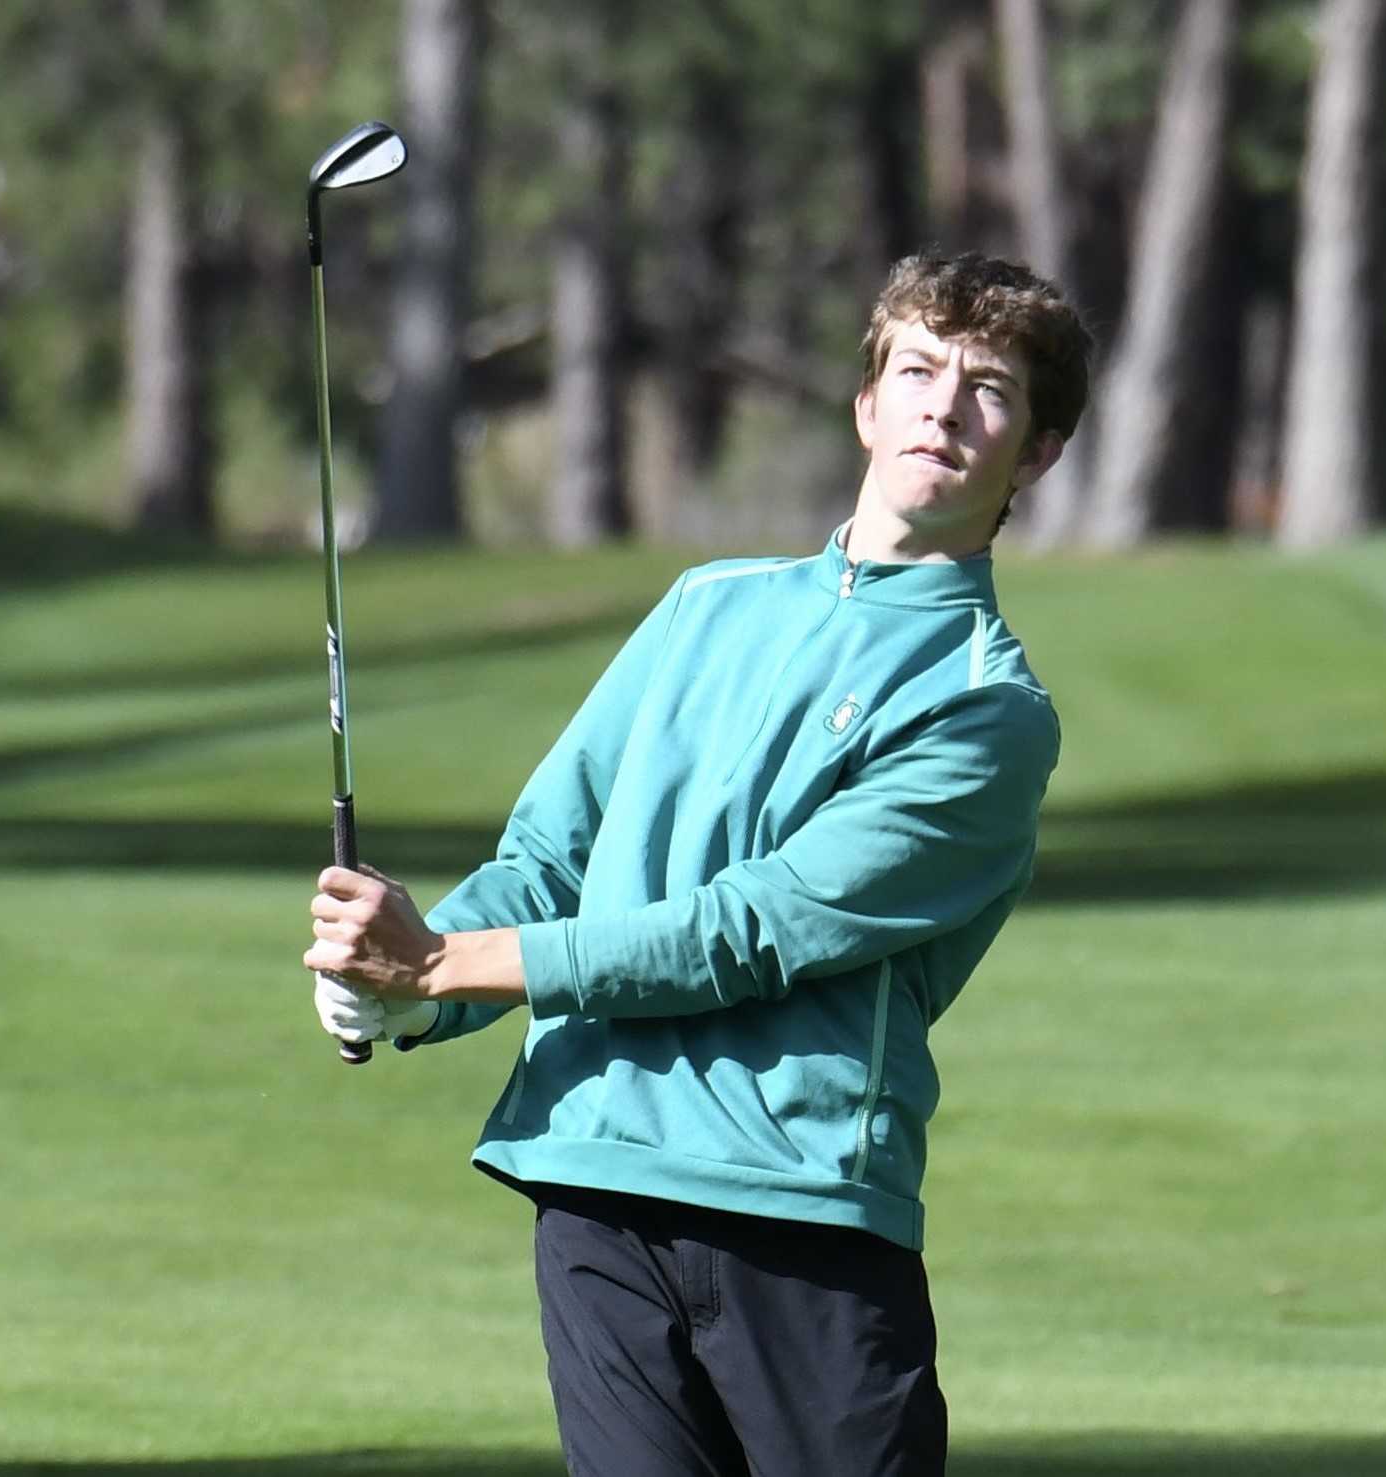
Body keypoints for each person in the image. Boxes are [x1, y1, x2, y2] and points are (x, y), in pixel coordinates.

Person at [304, 250, 1091, 1476]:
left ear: (1035, 454)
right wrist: (394, 999)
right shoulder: (703, 608)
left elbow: (750, 930)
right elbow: (550, 859)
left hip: (801, 1211)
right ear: (868, 406)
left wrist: (444, 963)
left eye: (988, 389)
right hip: (596, 1186)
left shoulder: (988, 712)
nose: (943, 405)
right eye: (919, 370)